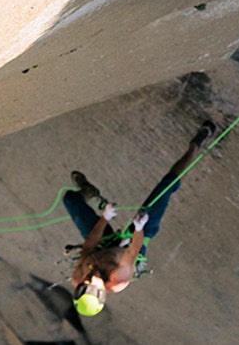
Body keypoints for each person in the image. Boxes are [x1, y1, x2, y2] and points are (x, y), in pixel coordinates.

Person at [64, 120, 217, 317]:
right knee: (165, 188)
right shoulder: (118, 278)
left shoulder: (79, 276)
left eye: (86, 283)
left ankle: (87, 192)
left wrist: (105, 218)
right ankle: (194, 147)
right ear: (103, 293)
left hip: (102, 245)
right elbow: (132, 250)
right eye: (94, 286)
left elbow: (89, 246)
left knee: (71, 200)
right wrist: (138, 227)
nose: (91, 278)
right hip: (131, 244)